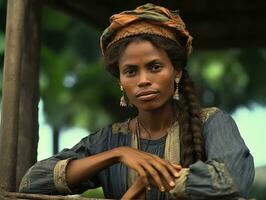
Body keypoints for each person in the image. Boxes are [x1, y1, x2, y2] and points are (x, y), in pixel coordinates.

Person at [19, 3, 255, 199]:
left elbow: (231, 180)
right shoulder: (110, 139)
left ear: (177, 71)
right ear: (121, 80)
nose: (143, 80)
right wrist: (117, 154)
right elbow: (32, 181)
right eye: (131, 71)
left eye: (155, 67)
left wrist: (150, 179)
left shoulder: (212, 123)